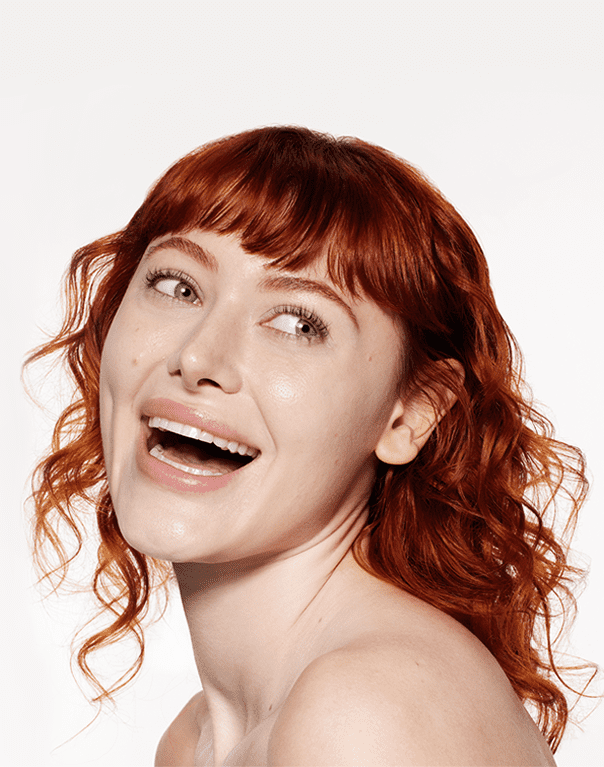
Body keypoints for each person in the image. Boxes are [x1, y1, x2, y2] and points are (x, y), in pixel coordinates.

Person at [28, 126, 591, 766]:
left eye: (298, 323)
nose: (198, 356)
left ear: (409, 416)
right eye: (178, 287)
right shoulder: (193, 742)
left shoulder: (363, 710)